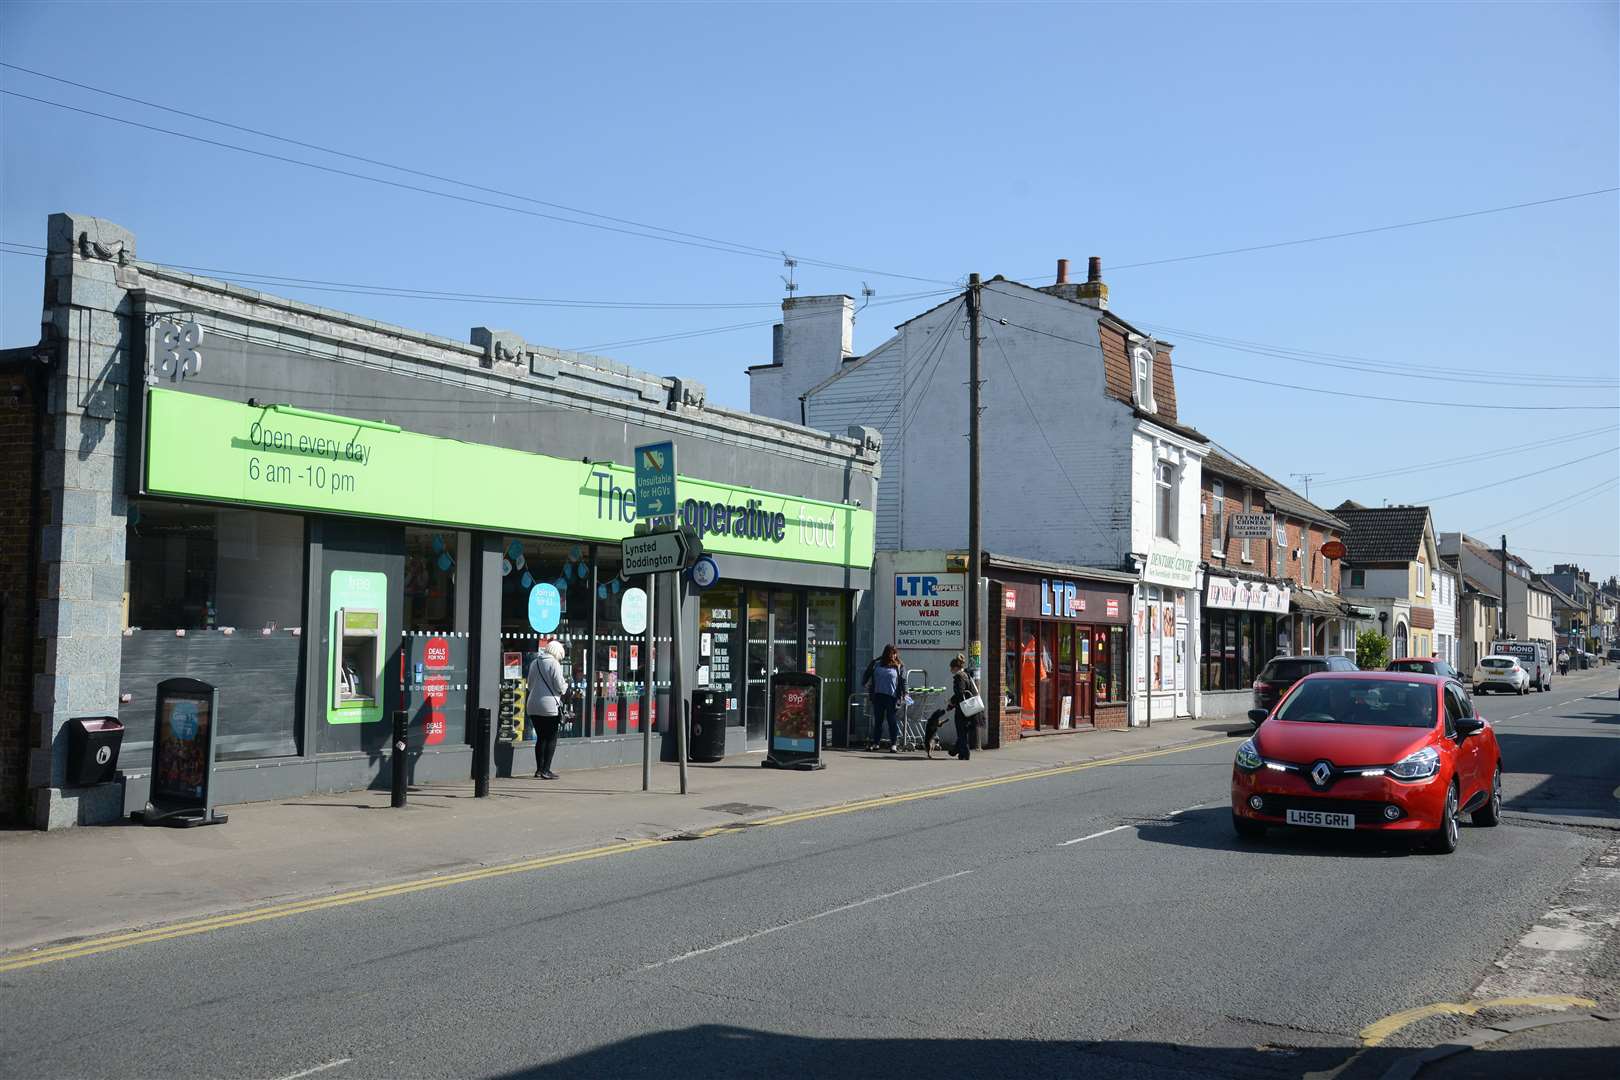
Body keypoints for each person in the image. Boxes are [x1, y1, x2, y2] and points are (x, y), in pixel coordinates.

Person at [526, 639, 568, 779]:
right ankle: (546, 770)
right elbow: (560, 687)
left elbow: (530, 684)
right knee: (551, 737)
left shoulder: (534, 663)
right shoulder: (554, 664)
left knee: (540, 738)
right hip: (549, 706)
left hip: (533, 704)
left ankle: (539, 770)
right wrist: (566, 686)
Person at [863, 644, 906, 752]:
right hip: (878, 695)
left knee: (892, 720)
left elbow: (903, 680)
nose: (894, 656)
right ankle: (876, 743)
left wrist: (905, 692)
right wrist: (865, 683)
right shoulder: (876, 664)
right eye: (892, 653)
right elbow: (867, 674)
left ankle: (893, 744)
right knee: (878, 721)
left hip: (892, 697)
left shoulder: (899, 666)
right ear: (887, 653)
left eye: (896, 653)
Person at [948, 653, 980, 761]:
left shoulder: (959, 677)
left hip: (963, 708)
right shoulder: (966, 674)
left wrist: (951, 703)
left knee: (961, 731)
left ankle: (964, 753)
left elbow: (960, 693)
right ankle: (957, 751)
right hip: (968, 707)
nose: (950, 670)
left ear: (955, 667)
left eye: (951, 668)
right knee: (963, 731)